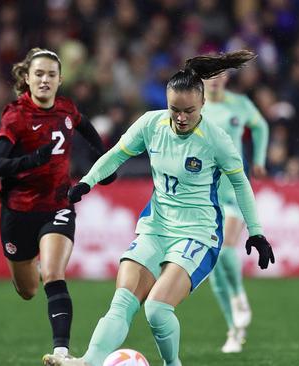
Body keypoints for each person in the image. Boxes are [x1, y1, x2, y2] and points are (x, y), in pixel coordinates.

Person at [42, 50, 275, 366]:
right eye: (174, 109)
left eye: (189, 111)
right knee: (122, 300)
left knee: (157, 308)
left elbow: (241, 186)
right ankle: (89, 362)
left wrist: (257, 233)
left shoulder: (217, 140)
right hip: (156, 226)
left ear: (203, 105)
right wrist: (87, 182)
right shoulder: (151, 124)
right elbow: (116, 154)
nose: (180, 118)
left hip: (198, 233)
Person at [0, 48, 115, 358]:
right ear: (27, 78)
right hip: (18, 212)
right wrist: (32, 160)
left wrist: (105, 162)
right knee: (28, 290)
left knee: (55, 274)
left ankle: (60, 353)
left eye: (51, 75)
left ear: (60, 79)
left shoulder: (67, 109)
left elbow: (86, 129)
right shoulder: (15, 115)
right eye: (39, 74)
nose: (45, 79)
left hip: (58, 205)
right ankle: (32, 260)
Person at [201, 71, 269, 353]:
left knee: (226, 245)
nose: (214, 80)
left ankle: (239, 294)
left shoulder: (240, 104)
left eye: (218, 75)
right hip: (204, 193)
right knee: (214, 268)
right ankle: (233, 330)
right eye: (208, 76)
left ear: (226, 78)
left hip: (234, 190)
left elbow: (261, 127)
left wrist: (259, 159)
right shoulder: (194, 107)